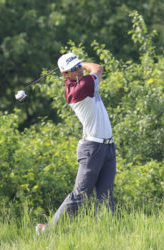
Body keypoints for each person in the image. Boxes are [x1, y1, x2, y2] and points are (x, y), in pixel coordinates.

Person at [36, 52, 116, 234]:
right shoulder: (80, 88)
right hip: (92, 149)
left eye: (79, 66)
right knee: (80, 195)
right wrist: (84, 64)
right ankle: (47, 231)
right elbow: (97, 68)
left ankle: (106, 234)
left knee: (106, 196)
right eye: (74, 69)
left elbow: (91, 70)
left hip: (108, 146)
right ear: (65, 74)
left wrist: (76, 63)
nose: (79, 70)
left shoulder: (81, 80)